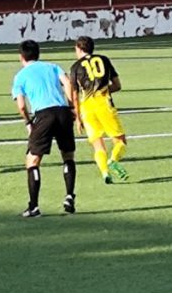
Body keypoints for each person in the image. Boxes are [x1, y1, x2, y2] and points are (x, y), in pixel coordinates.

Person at [12, 39, 77, 217]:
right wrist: (71, 107)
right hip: (63, 112)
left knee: (32, 161)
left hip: (43, 115)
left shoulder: (20, 76)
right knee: (68, 155)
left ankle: (34, 206)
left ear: (21, 57)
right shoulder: (53, 66)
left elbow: (22, 106)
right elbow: (69, 83)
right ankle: (70, 195)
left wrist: (28, 122)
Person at [69, 36, 128, 183]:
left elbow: (74, 96)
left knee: (97, 144)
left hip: (87, 108)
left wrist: (78, 118)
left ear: (79, 48)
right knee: (120, 141)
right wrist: (105, 90)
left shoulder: (75, 67)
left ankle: (105, 173)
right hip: (104, 105)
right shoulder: (104, 60)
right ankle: (113, 160)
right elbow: (117, 85)